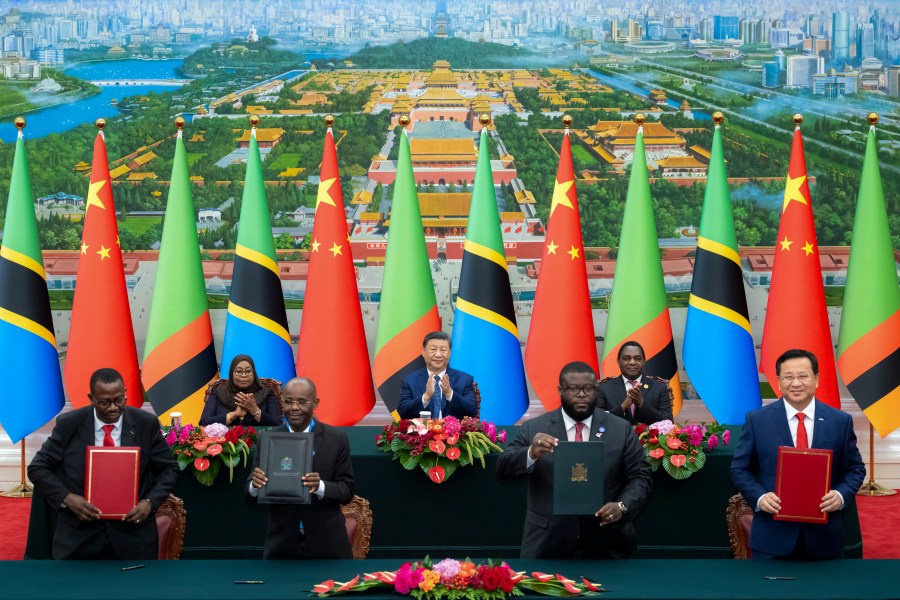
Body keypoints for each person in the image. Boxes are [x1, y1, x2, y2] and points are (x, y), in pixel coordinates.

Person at [496, 361, 652, 559]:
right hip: (547, 543)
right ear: (560, 390)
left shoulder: (620, 430)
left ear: (596, 390)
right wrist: (531, 453)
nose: (581, 394)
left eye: (588, 388)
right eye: (573, 388)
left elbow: (641, 476)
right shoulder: (534, 428)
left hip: (608, 544)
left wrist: (622, 506)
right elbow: (503, 468)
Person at [27, 368, 179, 560]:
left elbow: (170, 469)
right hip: (79, 536)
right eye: (104, 402)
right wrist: (67, 498)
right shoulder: (69, 424)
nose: (113, 408)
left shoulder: (145, 423)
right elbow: (37, 468)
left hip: (133, 536)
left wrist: (149, 503)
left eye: (119, 400)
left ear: (125, 393)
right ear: (91, 398)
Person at [730, 349, 866, 560]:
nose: (795, 383)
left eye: (803, 376)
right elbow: (740, 469)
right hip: (772, 537)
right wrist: (760, 497)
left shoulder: (840, 421)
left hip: (825, 538)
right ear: (778, 380)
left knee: (823, 593)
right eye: (788, 377)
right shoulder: (757, 420)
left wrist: (840, 496)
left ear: (817, 379)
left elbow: (855, 469)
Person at [247, 377, 355, 559]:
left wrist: (320, 486)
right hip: (281, 545)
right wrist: (254, 487)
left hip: (328, 545)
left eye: (302, 402)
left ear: (315, 403)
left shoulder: (336, 439)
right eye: (288, 402)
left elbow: (347, 490)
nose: (294, 408)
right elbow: (248, 494)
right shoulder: (268, 438)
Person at [396, 331, 477, 419]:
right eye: (433, 349)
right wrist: (426, 397)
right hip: (422, 432)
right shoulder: (410, 380)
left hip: (454, 432)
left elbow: (472, 411)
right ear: (423, 351)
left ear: (449, 353)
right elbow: (403, 412)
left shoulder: (464, 379)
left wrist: (450, 393)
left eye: (443, 350)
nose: (438, 354)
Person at [596, 341, 673, 425]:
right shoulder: (604, 388)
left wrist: (642, 404)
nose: (632, 362)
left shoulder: (659, 388)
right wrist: (622, 407)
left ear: (644, 361)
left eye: (637, 358)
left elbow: (668, 423)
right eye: (626, 358)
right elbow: (597, 421)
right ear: (618, 361)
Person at [200, 354, 282, 426]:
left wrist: (255, 410)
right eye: (238, 371)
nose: (243, 375)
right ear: (231, 373)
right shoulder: (218, 392)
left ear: (254, 373)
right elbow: (204, 422)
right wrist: (234, 415)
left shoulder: (266, 392)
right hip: (225, 441)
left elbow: (278, 423)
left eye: (248, 371)